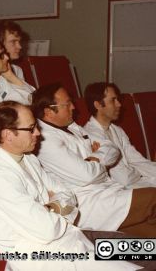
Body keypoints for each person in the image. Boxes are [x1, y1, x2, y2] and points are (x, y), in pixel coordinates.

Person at [0, 101, 138, 271]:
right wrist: (57, 206)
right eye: (31, 128)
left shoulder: (28, 158)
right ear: (8, 134)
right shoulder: (0, 179)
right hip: (48, 257)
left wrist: (50, 208)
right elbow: (47, 230)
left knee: (147, 250)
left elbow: (68, 194)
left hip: (72, 237)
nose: (38, 133)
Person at [32, 83, 156, 237]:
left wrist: (93, 158)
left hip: (109, 194)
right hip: (88, 205)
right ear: (49, 111)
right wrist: (97, 159)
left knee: (150, 241)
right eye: (67, 104)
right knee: (153, 198)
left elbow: (112, 149)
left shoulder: (72, 127)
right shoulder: (45, 141)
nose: (74, 107)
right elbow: (86, 175)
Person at [84, 82, 156, 188]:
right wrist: (138, 172)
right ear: (98, 105)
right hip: (120, 190)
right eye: (113, 100)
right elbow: (123, 178)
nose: (119, 104)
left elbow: (138, 161)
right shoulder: (90, 135)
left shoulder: (117, 130)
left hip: (136, 181)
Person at [0, 20, 34, 88]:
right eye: (13, 42)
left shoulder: (17, 70)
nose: (19, 47)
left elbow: (28, 97)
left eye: (19, 42)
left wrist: (12, 77)